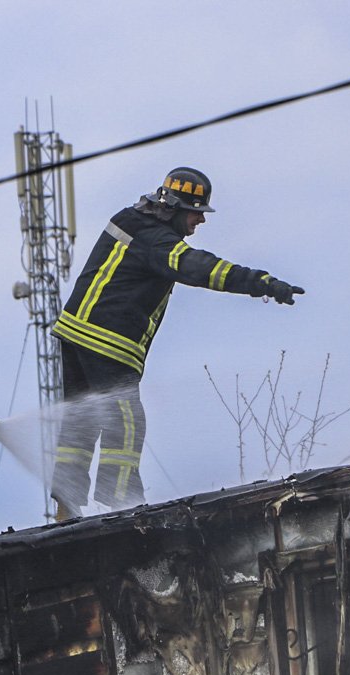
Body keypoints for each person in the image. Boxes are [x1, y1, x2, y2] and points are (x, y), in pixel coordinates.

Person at [50, 167, 304, 519]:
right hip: (107, 341)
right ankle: (123, 504)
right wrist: (262, 283)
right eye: (195, 211)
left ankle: (66, 505)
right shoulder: (157, 241)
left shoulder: (129, 220)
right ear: (172, 208)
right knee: (126, 420)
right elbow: (201, 268)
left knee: (81, 420)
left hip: (74, 331)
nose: (201, 219)